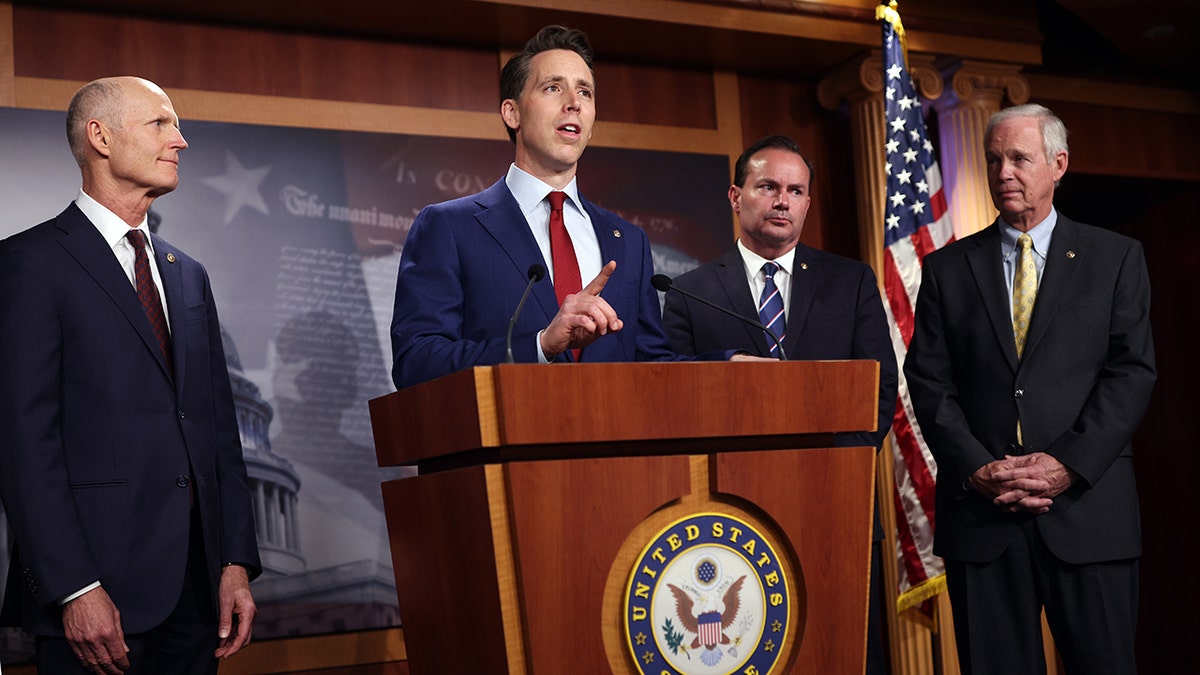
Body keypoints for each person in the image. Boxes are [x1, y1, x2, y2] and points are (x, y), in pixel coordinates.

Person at [0, 76, 261, 674]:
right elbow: (23, 445)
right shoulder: (28, 265)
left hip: (199, 601)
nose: (181, 140)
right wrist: (73, 587)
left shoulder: (187, 273)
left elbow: (218, 432)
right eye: (161, 124)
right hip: (97, 598)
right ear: (101, 137)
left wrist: (233, 563)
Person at [904, 103, 1156, 674]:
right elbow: (928, 381)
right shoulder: (946, 268)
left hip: (1089, 516)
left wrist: (1066, 464)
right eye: (994, 160)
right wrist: (975, 468)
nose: (1003, 173)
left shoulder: (1115, 257)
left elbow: (1132, 372)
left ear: (1058, 164)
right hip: (983, 520)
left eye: (1019, 158)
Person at [661, 134, 898, 674]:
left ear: (808, 203)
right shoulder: (689, 291)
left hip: (837, 501)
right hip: (733, 514)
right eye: (768, 186)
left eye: (795, 190)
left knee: (850, 653)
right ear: (736, 196)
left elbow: (878, 387)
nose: (782, 200)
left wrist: (835, 465)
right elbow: (675, 390)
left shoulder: (851, 281)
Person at [390, 25, 739, 390]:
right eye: (553, 87)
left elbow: (650, 364)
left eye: (584, 91)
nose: (573, 101)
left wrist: (727, 365)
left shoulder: (628, 241)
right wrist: (541, 345)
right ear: (512, 113)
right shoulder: (450, 227)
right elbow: (417, 362)